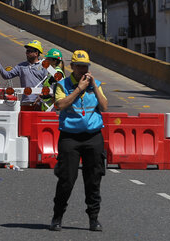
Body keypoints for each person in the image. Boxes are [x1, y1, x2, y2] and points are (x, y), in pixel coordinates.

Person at [50, 50, 108, 232]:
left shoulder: (96, 84)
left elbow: (105, 107)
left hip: (93, 136)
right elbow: (60, 105)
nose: (83, 69)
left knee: (93, 179)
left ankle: (93, 218)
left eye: (86, 66)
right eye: (79, 66)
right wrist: (79, 89)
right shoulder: (62, 85)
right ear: (72, 67)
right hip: (70, 137)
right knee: (67, 179)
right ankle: (57, 216)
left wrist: (94, 87)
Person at [0, 40, 46, 111]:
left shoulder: (45, 65)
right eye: (27, 51)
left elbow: (51, 82)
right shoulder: (21, 66)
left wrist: (42, 96)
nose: (27, 53)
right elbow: (7, 75)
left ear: (36, 53)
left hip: (40, 103)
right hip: (25, 102)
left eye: (29, 51)